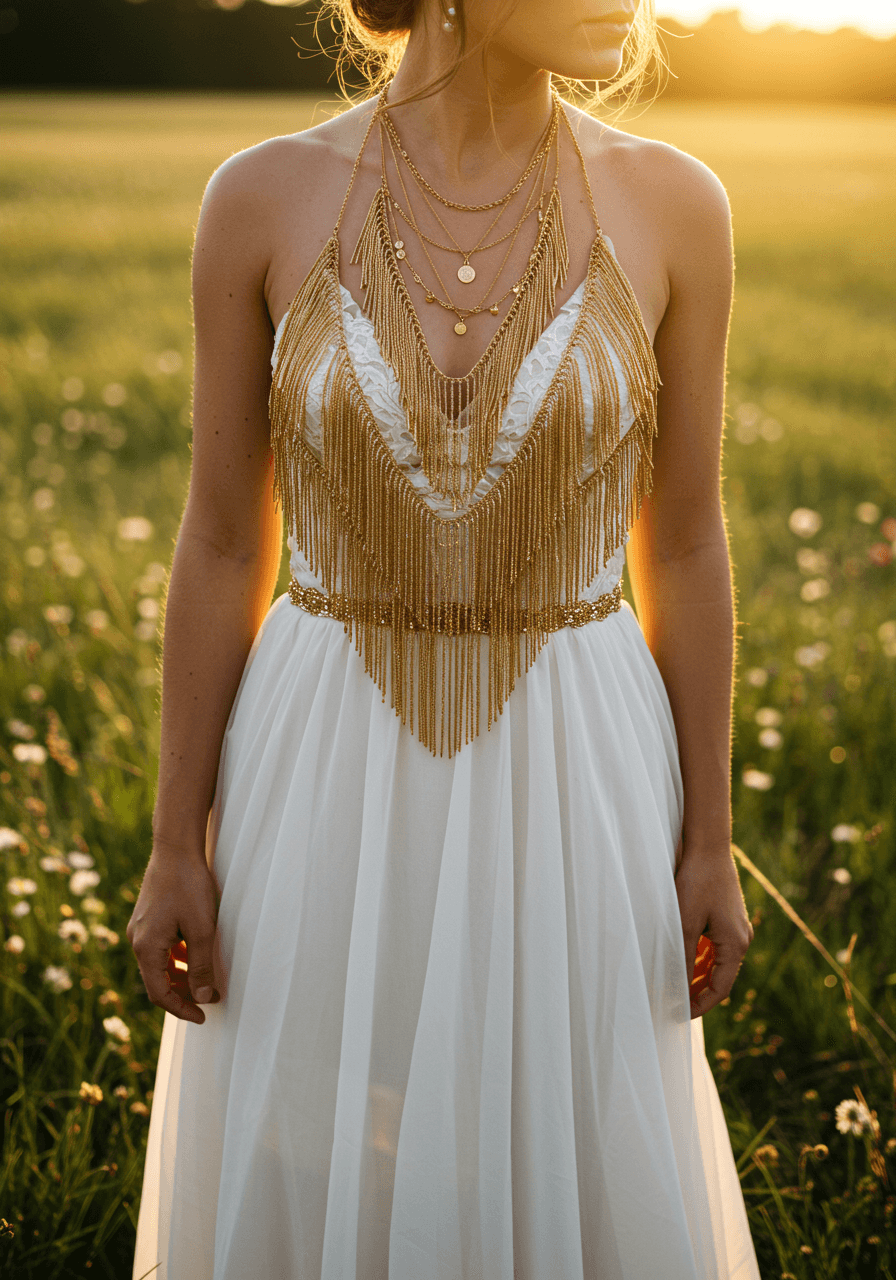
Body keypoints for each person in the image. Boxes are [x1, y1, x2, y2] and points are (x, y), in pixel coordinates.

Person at [128, 0, 760, 1275]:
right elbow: (221, 542)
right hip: (319, 768)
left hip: (579, 769)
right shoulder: (258, 198)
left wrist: (707, 834)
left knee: (564, 1140)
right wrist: (171, 840)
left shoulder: (676, 203)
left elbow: (684, 544)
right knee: (310, 1142)